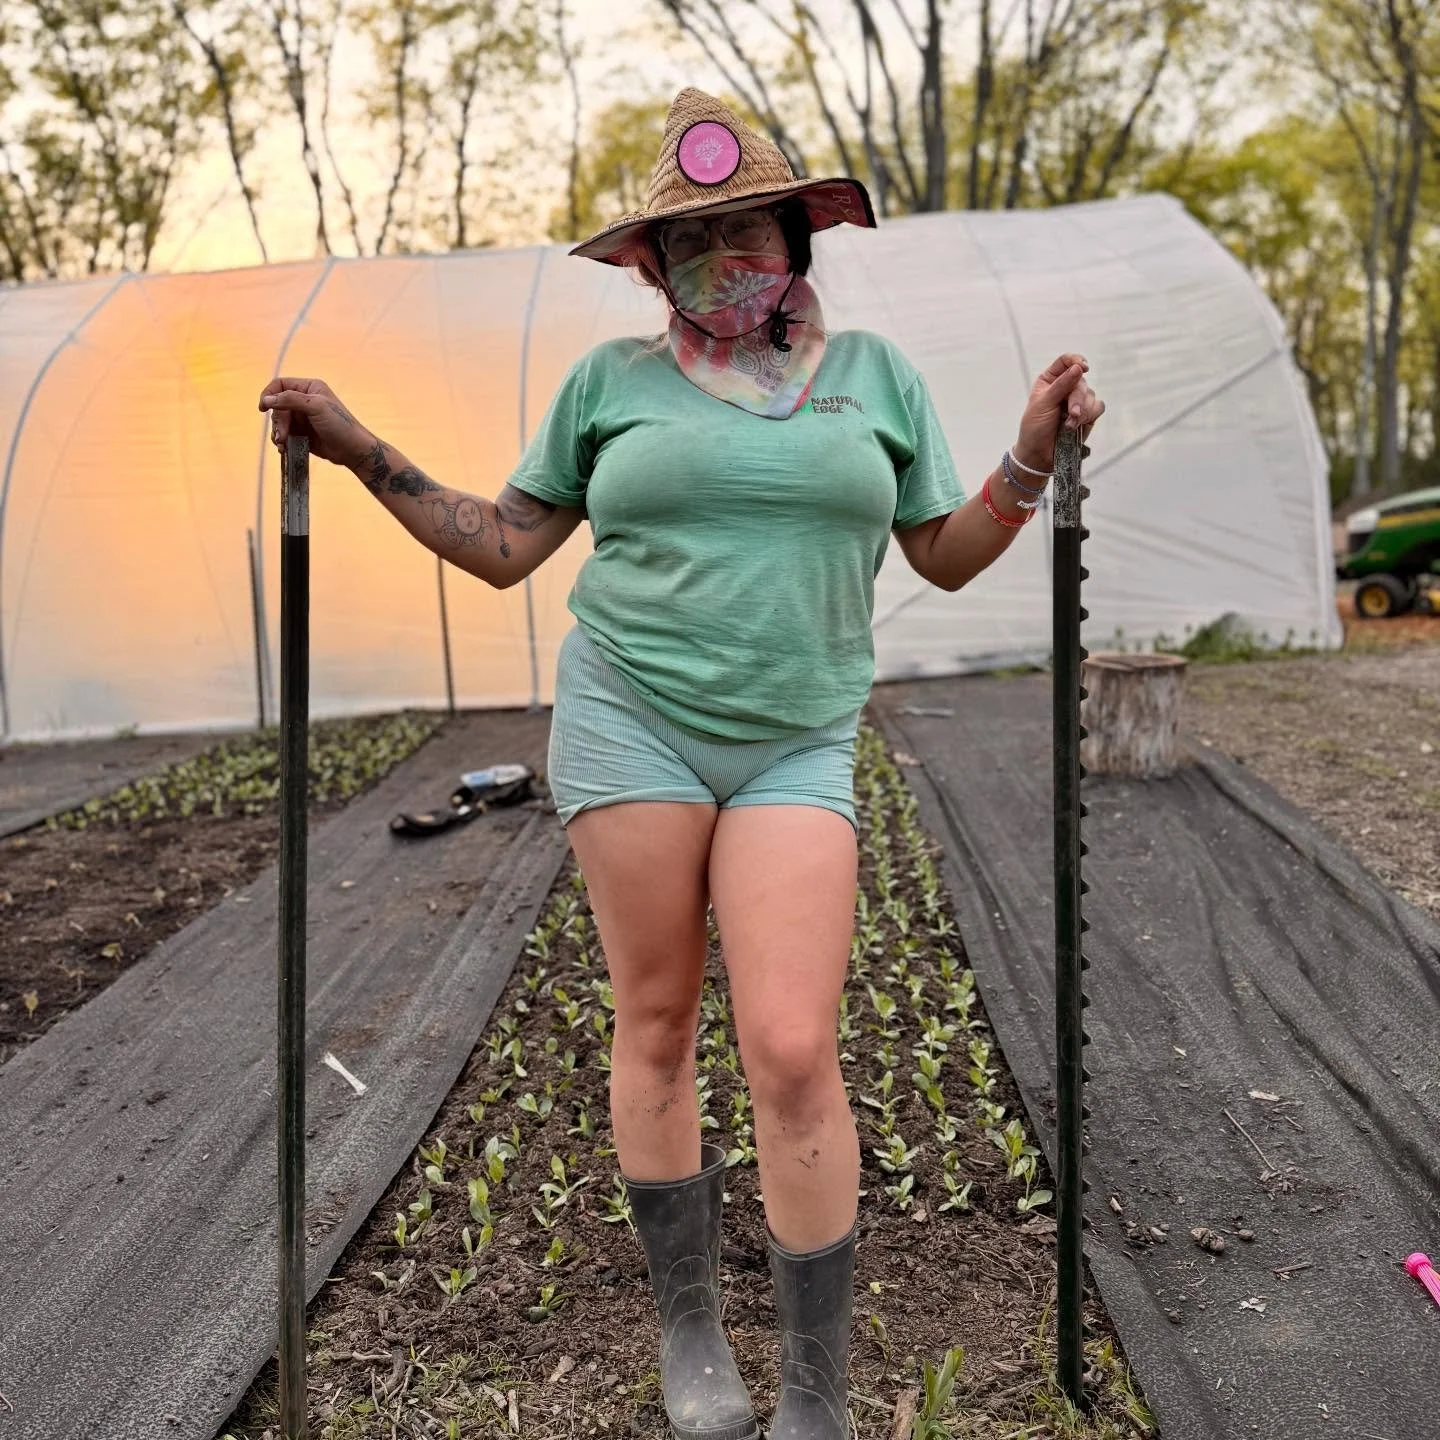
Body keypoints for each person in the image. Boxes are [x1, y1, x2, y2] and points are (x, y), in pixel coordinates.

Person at [260, 87, 1103, 1440]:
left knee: (789, 1041)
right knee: (657, 1021)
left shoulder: (875, 376)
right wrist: (359, 447)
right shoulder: (610, 387)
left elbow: (942, 555)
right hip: (629, 716)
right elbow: (500, 544)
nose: (723, 260)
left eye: (747, 229)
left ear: (796, 234)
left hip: (795, 737)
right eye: (689, 240)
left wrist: (1029, 455)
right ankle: (693, 1333)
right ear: (651, 262)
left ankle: (816, 1396)